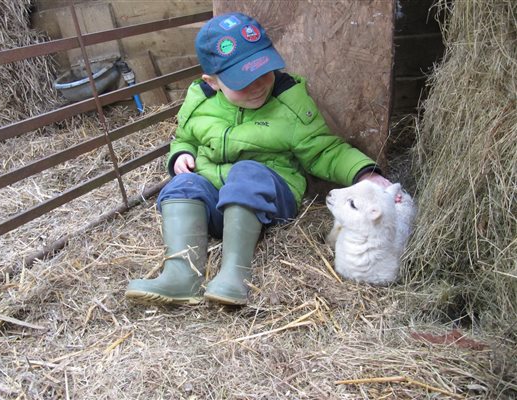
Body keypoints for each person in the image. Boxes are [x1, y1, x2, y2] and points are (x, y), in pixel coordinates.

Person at [125, 12, 393, 306]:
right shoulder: (199, 100)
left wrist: (363, 173)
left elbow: (322, 149)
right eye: (243, 80)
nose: (257, 85)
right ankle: (181, 274)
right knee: (181, 185)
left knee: (247, 172)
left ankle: (234, 275)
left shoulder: (288, 102)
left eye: (263, 72)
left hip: (268, 200)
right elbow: (185, 136)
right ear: (212, 82)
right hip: (217, 203)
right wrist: (182, 154)